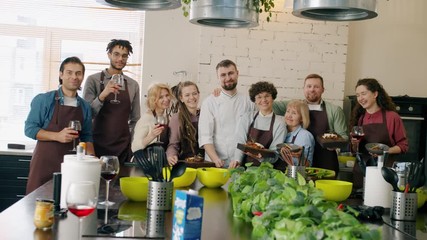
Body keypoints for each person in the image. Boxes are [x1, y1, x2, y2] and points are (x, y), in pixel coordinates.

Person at [25, 56, 94, 194]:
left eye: (78, 73)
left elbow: (86, 136)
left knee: (67, 206)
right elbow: (30, 129)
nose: (74, 77)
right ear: (61, 74)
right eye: (69, 72)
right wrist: (57, 136)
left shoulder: (85, 107)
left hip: (72, 167)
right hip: (44, 165)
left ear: (82, 76)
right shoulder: (44, 100)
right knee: (39, 208)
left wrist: (93, 159)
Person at [273, 74, 348, 174]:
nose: (312, 89)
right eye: (309, 86)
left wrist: (334, 144)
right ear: (303, 89)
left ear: (322, 89)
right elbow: (270, 105)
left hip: (326, 162)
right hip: (302, 163)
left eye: (316, 87)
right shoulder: (296, 106)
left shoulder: (334, 110)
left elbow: (344, 137)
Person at [83, 39, 140, 164]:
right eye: (116, 54)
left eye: (124, 56)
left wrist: (132, 144)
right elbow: (87, 115)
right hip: (96, 146)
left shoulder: (133, 85)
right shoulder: (93, 80)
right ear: (109, 54)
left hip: (123, 147)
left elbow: (135, 119)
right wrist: (103, 95)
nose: (120, 59)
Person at [350, 78, 408, 187]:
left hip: (383, 172)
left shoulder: (392, 117)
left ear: (375, 94)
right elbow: (355, 151)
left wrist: (385, 151)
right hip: (361, 171)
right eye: (358, 95)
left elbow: (403, 146)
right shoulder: (361, 118)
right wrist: (354, 144)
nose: (360, 98)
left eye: (363, 94)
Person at [199, 59, 255, 168]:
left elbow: (251, 135)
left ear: (237, 73)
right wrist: (216, 159)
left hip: (241, 161)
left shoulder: (248, 102)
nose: (228, 78)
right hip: (214, 162)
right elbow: (205, 136)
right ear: (218, 78)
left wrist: (239, 159)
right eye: (223, 75)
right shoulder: (209, 102)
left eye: (231, 73)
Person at [229, 81, 286, 169]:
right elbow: (241, 142)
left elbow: (275, 153)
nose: (263, 100)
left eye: (267, 96)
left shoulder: (280, 123)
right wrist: (237, 160)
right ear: (254, 100)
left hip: (268, 170)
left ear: (273, 98)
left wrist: (262, 157)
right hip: (245, 168)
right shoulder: (247, 117)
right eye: (259, 97)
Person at [166, 81, 204, 166]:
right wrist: (171, 156)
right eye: (187, 95)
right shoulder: (177, 118)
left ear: (198, 94)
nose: (192, 97)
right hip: (185, 165)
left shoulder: (205, 114)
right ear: (181, 98)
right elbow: (173, 144)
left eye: (194, 93)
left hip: (206, 163)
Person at [132, 83, 173, 151]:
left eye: (167, 95)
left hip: (162, 158)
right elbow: (134, 147)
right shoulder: (146, 119)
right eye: (161, 97)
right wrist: (152, 136)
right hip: (148, 160)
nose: (166, 99)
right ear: (153, 100)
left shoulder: (167, 117)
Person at [282, 100, 315, 166]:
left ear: (302, 118)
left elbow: (308, 165)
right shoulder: (281, 130)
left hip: (295, 174)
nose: (289, 115)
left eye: (294, 113)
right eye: (288, 111)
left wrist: (300, 156)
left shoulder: (305, 136)